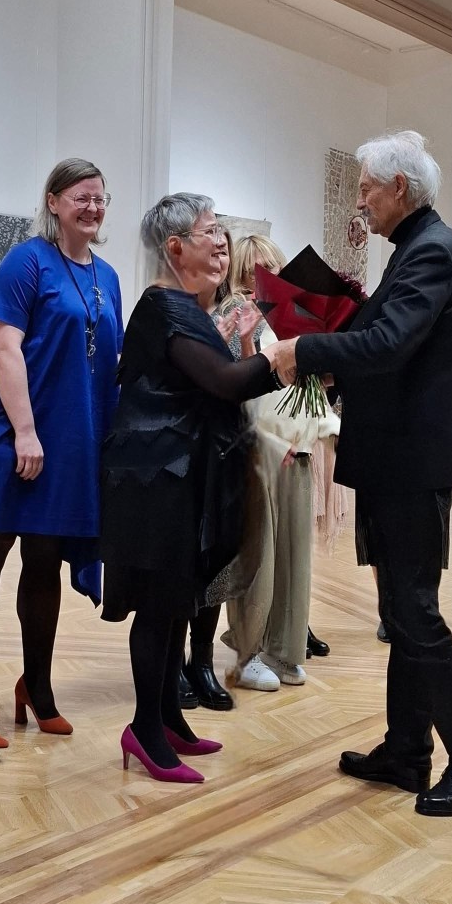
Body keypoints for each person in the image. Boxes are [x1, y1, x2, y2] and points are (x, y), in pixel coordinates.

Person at [265, 130, 452, 817]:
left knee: (416, 613)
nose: (361, 200)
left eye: (368, 187)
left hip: (411, 463)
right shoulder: (416, 248)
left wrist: (305, 350)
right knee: (400, 612)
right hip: (396, 459)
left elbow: (389, 343)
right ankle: (407, 750)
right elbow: (388, 347)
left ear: (401, 187)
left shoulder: (433, 252)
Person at [100, 193, 280, 783]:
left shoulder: (185, 306)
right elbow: (224, 381)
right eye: (210, 232)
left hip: (177, 472)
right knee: (158, 607)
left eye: (222, 231)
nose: (222, 242)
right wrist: (287, 356)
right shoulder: (164, 306)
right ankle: (144, 731)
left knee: (177, 600)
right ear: (175, 247)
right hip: (156, 477)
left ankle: (169, 719)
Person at [0, 159, 123, 745]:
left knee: (44, 560)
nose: (93, 207)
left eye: (100, 198)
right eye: (81, 197)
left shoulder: (108, 277)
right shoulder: (25, 262)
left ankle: (38, 687)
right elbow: (5, 350)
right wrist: (25, 431)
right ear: (53, 202)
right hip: (6, 431)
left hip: (69, 441)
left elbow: (108, 363)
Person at [222, 234, 341, 691]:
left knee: (293, 557)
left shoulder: (291, 315)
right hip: (258, 447)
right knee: (258, 557)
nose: (262, 276)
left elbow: (305, 381)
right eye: (253, 269)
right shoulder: (235, 313)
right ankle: (248, 652)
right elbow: (240, 384)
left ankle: (285, 649)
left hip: (299, 444)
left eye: (269, 266)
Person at [180, 231, 262, 711]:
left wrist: (247, 339)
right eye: (213, 249)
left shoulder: (237, 308)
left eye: (225, 251)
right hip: (185, 450)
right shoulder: (175, 309)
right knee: (183, 560)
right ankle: (172, 662)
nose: (220, 257)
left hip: (229, 449)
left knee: (218, 561)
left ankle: (203, 661)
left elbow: (248, 383)